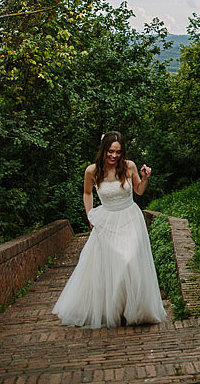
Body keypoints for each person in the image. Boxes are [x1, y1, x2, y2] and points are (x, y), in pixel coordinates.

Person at [52, 132, 166, 328]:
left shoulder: (129, 166)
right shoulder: (92, 171)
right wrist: (90, 216)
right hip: (107, 220)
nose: (114, 156)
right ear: (103, 150)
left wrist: (146, 178)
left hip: (130, 218)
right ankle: (115, 310)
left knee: (129, 261)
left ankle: (134, 309)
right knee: (112, 264)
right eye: (111, 151)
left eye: (118, 152)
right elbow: (87, 193)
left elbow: (139, 190)